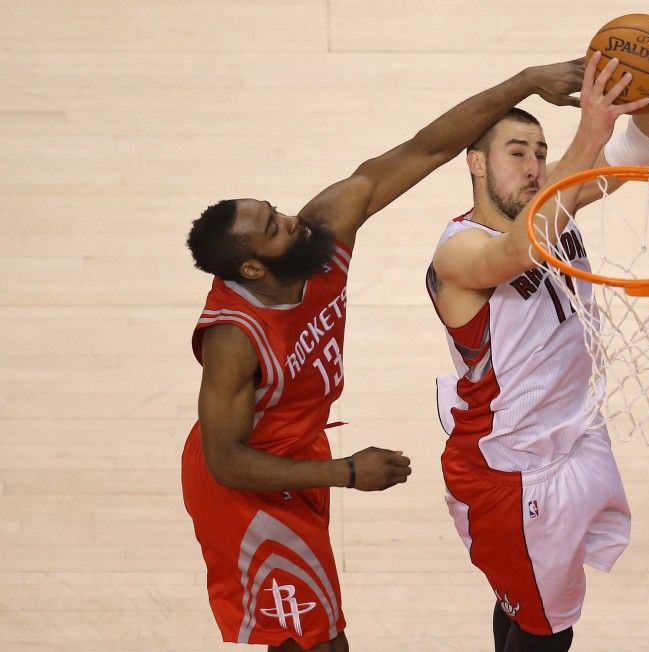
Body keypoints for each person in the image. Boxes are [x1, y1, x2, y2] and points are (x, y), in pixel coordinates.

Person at [180, 58, 586, 652]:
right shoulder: (234, 338)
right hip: (246, 488)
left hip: (298, 452)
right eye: (275, 228)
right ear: (251, 269)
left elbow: (426, 148)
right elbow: (224, 462)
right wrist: (345, 473)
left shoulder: (321, 232)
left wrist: (524, 82)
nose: (293, 220)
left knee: (316, 635)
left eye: (278, 210)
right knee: (316, 643)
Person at [425, 11, 649, 652]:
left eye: (542, 154)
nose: (536, 166)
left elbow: (644, 150)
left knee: (527, 603)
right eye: (518, 153)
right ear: (476, 165)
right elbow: (514, 254)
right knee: (550, 632)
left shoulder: (557, 202)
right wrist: (589, 131)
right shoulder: (457, 251)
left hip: (573, 433)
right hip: (514, 473)